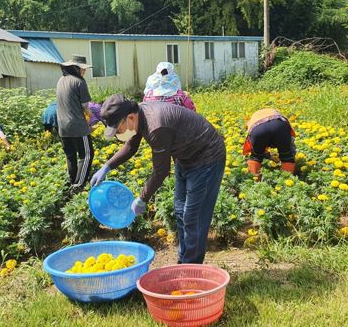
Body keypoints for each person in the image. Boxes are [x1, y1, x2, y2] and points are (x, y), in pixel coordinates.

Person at [90, 94, 226, 264]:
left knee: (193, 216)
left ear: (130, 117)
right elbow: (131, 146)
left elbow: (161, 171)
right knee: (180, 211)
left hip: (207, 158)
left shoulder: (156, 126)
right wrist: (107, 166)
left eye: (118, 129)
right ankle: (185, 262)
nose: (119, 133)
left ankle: (191, 270)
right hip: (186, 157)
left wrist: (142, 198)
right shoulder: (138, 114)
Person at [56, 55, 94, 190]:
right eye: (83, 69)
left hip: (62, 126)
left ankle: (71, 182)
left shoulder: (61, 80)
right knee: (87, 155)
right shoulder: (79, 82)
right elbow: (85, 106)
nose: (85, 71)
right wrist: (95, 117)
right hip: (77, 126)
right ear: (76, 68)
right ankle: (79, 185)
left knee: (70, 155)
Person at [242, 108, 296, 180]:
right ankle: (285, 181)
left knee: (256, 157)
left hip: (258, 129)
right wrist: (289, 153)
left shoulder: (253, 120)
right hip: (279, 126)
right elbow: (290, 141)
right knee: (287, 157)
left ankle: (255, 181)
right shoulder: (277, 114)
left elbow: (257, 144)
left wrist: (264, 154)